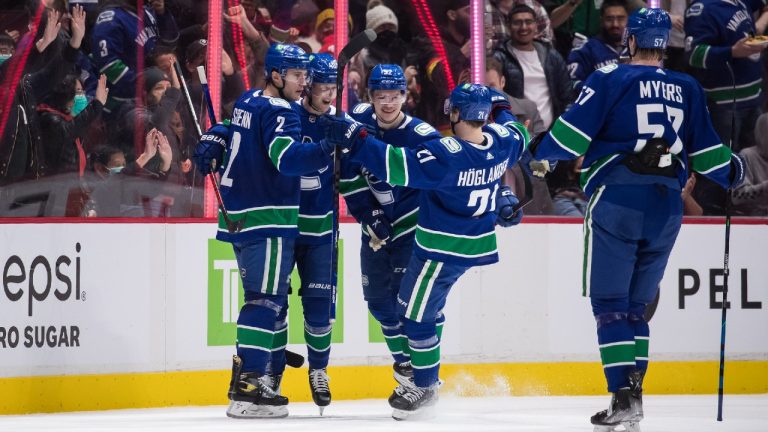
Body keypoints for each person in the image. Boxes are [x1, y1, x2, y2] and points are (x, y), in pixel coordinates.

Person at [529, 9, 745, 431]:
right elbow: (711, 159)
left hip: (617, 198)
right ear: (665, 44)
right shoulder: (687, 86)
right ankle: (635, 398)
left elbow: (569, 138)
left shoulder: (609, 79)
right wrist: (735, 170)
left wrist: (539, 148)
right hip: (666, 206)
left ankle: (622, 398)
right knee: (637, 308)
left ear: (630, 41)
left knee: (610, 305)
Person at [323, 83, 528, 419]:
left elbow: (393, 164)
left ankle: (424, 386)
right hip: (473, 245)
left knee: (415, 317)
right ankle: (423, 378)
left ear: (457, 113)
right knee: (418, 308)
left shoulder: (447, 154)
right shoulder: (503, 142)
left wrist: (355, 139)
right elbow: (516, 128)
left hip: (440, 248)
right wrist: (502, 105)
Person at [193, 43, 334, 419]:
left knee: (261, 299)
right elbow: (286, 159)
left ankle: (249, 380)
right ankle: (250, 386)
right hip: (268, 216)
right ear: (275, 75)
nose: (304, 82)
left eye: (306, 74)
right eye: (297, 75)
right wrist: (326, 146)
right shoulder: (282, 112)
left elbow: (236, 130)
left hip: (238, 216)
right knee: (266, 302)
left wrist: (216, 135)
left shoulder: (248, 100)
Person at [338, 64, 442, 391]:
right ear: (369, 97)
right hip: (374, 229)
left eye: (394, 96)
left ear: (404, 96)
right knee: (380, 304)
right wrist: (369, 217)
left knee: (410, 306)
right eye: (380, 96)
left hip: (412, 226)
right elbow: (349, 176)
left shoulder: (421, 136)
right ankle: (406, 366)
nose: (387, 103)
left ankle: (424, 375)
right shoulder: (357, 122)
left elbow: (453, 169)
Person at [277, 52, 339, 414]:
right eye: (322, 87)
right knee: (275, 305)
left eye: (333, 87)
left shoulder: (339, 122)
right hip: (283, 224)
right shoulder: (287, 115)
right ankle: (272, 370)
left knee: (319, 309)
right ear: (307, 85)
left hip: (320, 228)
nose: (328, 94)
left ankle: (319, 370)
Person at [493, 4, 575, 129]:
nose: (524, 27)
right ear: (508, 26)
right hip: (517, 133)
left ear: (536, 26)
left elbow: (567, 96)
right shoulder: (499, 58)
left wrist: (562, 128)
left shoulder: (551, 55)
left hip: (551, 133)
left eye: (528, 22)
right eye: (517, 23)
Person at [566, 0, 629, 91]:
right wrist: (601, 91)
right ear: (601, 21)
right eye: (609, 19)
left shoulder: (642, 48)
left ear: (629, 20)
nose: (615, 24)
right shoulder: (584, 50)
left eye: (620, 18)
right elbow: (572, 83)